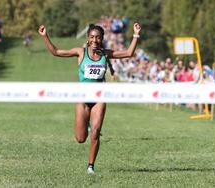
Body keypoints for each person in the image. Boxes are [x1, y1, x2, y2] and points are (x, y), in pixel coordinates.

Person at [38, 22, 141, 174]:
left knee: (96, 132)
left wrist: (136, 34)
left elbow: (128, 53)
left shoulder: (105, 54)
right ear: (88, 38)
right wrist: (44, 35)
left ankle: (90, 166)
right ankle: (86, 124)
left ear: (102, 39)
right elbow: (56, 52)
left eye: (98, 37)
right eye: (92, 37)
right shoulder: (81, 52)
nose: (94, 40)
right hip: (83, 99)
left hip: (99, 99)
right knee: (80, 138)